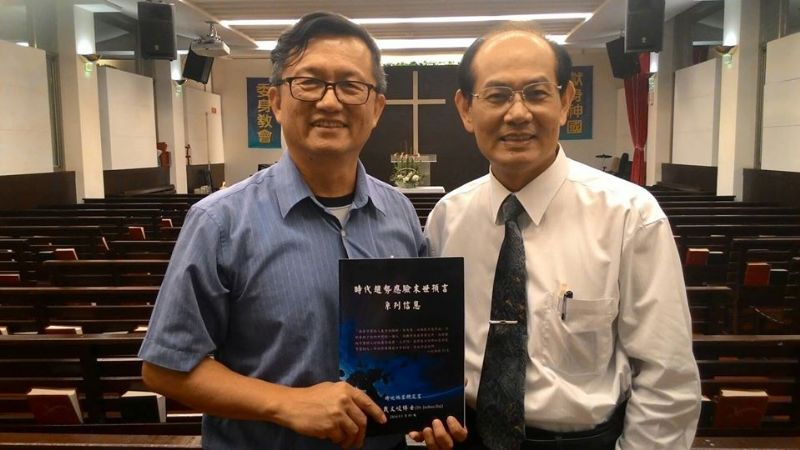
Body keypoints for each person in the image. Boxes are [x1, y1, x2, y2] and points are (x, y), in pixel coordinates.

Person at [139, 11, 425, 450]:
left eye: (351, 86)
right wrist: (286, 403)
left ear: (376, 109)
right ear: (275, 101)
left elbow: (418, 339)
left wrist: (432, 406)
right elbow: (165, 368)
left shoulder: (399, 213)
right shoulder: (219, 222)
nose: (329, 102)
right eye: (309, 83)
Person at [416, 24, 701, 450]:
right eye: (497, 95)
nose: (517, 114)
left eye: (536, 93)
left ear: (566, 101)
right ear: (466, 109)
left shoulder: (629, 215)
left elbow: (667, 376)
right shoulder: (447, 219)